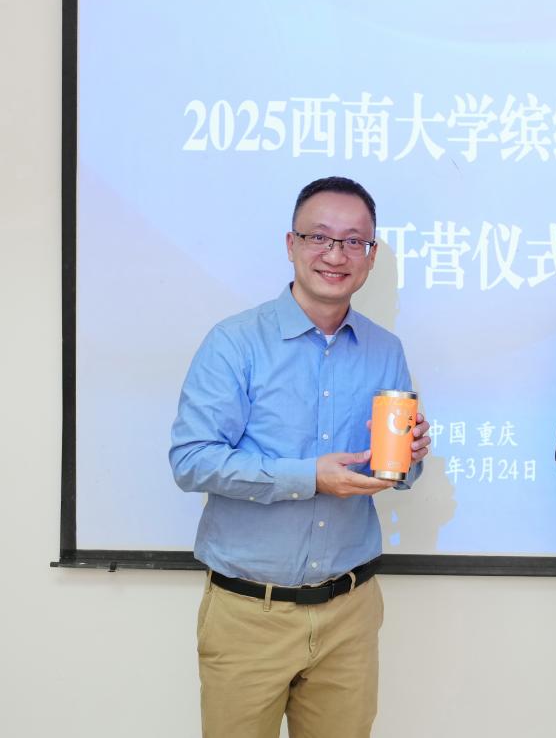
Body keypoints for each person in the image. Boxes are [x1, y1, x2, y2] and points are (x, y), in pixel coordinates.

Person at [169, 176, 431, 738]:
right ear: (291, 245)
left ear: (371, 255)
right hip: (249, 614)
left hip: (350, 613)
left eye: (354, 241)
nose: (336, 254)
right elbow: (191, 459)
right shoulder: (235, 342)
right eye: (320, 237)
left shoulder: (386, 350)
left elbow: (396, 470)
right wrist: (309, 477)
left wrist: (409, 457)